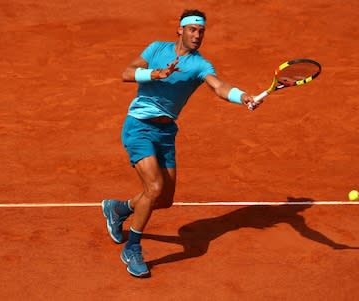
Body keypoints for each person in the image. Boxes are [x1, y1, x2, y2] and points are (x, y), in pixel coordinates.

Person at [101, 9, 258, 278]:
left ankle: (119, 208)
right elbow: (127, 72)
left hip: (165, 133)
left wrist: (241, 96)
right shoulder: (156, 49)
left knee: (163, 199)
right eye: (193, 30)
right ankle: (133, 248)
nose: (198, 36)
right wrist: (154, 74)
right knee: (153, 186)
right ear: (180, 30)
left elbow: (218, 86)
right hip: (138, 125)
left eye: (202, 31)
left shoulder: (200, 65)